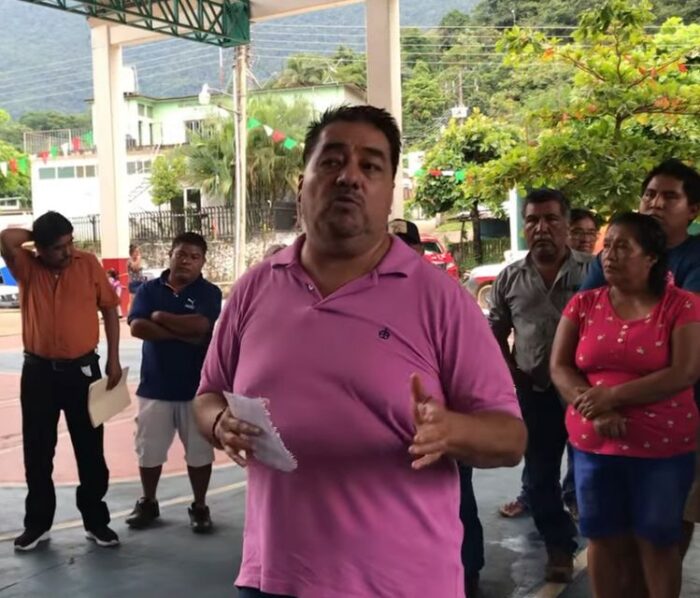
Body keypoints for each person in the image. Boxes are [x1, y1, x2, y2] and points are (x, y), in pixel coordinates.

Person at [193, 105, 526, 598]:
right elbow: (207, 396)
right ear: (301, 182)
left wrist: (450, 431)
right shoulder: (255, 288)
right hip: (272, 579)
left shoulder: (440, 299)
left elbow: (510, 438)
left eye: (370, 166)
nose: (349, 177)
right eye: (331, 161)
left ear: (389, 192)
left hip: (402, 584)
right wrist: (220, 423)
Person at [550, 212, 700, 598]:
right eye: (608, 246)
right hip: (594, 446)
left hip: (662, 450)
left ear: (651, 257)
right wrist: (595, 408)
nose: (610, 255)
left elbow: (685, 371)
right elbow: (560, 366)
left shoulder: (682, 305)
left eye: (623, 247)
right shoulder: (583, 304)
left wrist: (613, 396)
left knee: (658, 540)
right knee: (602, 538)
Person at [580, 159, 700, 558]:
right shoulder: (609, 259)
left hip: (680, 417)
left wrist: (614, 396)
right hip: (606, 420)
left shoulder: (695, 261)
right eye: (649, 194)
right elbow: (583, 325)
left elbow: (682, 352)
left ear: (693, 209)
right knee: (610, 533)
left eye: (670, 196)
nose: (656, 203)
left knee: (667, 528)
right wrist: (597, 404)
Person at [0, 212, 122, 551]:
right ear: (39, 249)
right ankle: (38, 524)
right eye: (57, 247)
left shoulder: (88, 264)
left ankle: (96, 522)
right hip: (38, 373)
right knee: (38, 451)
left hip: (83, 372)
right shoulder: (26, 266)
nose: (67, 252)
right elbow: (6, 239)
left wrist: (113, 359)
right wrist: (36, 235)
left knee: (91, 450)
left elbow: (109, 309)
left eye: (70, 243)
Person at [489, 188, 592, 582]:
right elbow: (495, 329)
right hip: (535, 391)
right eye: (532, 220)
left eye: (551, 219)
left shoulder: (593, 272)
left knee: (591, 472)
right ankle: (559, 547)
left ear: (566, 224)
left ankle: (605, 540)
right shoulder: (510, 278)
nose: (541, 228)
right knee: (539, 476)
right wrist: (510, 372)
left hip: (586, 392)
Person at [391, 216, 484, 597]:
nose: (395, 253)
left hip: (445, 421)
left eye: (403, 246)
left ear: (418, 251)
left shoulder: (446, 297)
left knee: (458, 500)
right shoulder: (368, 295)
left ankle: (469, 572)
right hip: (394, 430)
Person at [126, 232, 222, 533]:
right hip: (154, 387)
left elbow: (202, 325)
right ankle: (148, 501)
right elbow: (138, 327)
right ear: (170, 254)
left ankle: (199, 506)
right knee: (148, 450)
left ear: (203, 262)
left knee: (199, 452)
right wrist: (183, 335)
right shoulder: (148, 289)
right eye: (181, 254)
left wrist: (159, 317)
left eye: (194, 257)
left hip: (197, 390)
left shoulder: (209, 292)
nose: (186, 261)